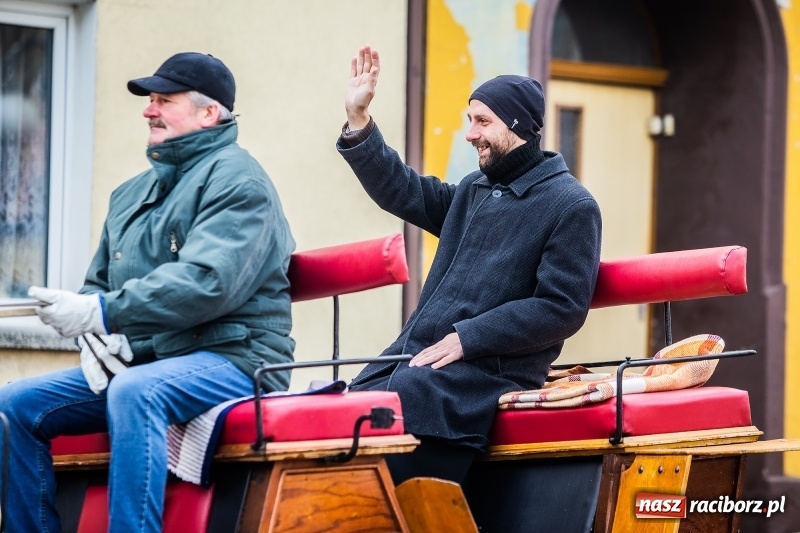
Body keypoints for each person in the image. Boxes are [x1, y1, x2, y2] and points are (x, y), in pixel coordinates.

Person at [0, 52, 295, 531]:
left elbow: (207, 282)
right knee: (15, 404)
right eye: (150, 100)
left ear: (209, 113)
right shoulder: (129, 194)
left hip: (235, 358)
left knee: (136, 391)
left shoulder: (241, 180)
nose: (148, 110)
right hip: (153, 358)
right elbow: (98, 285)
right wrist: (95, 338)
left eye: (163, 100)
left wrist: (105, 315)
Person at [339, 45, 602, 485]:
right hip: (425, 363)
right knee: (352, 397)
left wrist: (468, 338)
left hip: (486, 372)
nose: (470, 134)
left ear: (518, 127)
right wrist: (359, 120)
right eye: (469, 121)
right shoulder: (473, 190)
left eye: (483, 121)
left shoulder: (571, 205)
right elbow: (403, 191)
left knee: (405, 395)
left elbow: (561, 307)